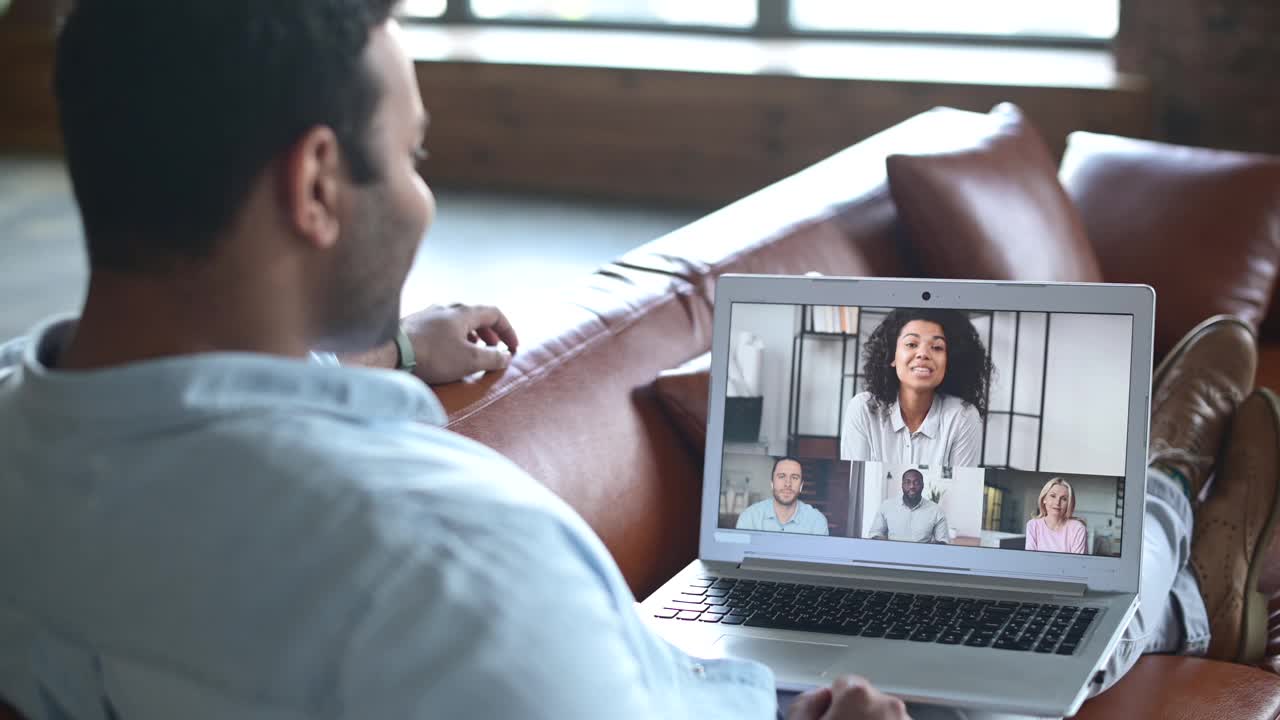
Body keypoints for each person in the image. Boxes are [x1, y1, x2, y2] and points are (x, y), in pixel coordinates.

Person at [0, 3, 1274, 719]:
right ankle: (1167, 502)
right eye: (416, 154)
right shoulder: (448, 565)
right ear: (318, 183)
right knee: (1032, 642)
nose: (429, 199)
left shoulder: (26, 435)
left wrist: (380, 344)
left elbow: (182, 427)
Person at [840, 309, 990, 467]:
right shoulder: (863, 409)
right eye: (911, 344)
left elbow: (961, 489)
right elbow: (857, 485)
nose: (923, 354)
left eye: (937, 347)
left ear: (949, 361)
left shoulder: (963, 416)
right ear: (892, 356)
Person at [736, 457, 831, 535]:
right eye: (781, 476)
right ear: (772, 483)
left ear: (801, 486)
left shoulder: (817, 522)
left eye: (794, 477)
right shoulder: (749, 517)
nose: (788, 484)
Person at [868, 469, 950, 543]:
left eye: (916, 483)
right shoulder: (886, 506)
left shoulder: (937, 511)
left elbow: (943, 541)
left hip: (922, 557)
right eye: (907, 482)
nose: (912, 486)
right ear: (902, 485)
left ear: (922, 485)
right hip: (892, 555)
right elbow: (875, 534)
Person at [1024, 477, 1089, 554]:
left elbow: (1077, 563)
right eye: (1053, 496)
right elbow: (1030, 559)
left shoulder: (1078, 528)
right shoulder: (1033, 525)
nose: (1057, 502)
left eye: (1064, 499)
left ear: (1069, 504)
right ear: (1044, 499)